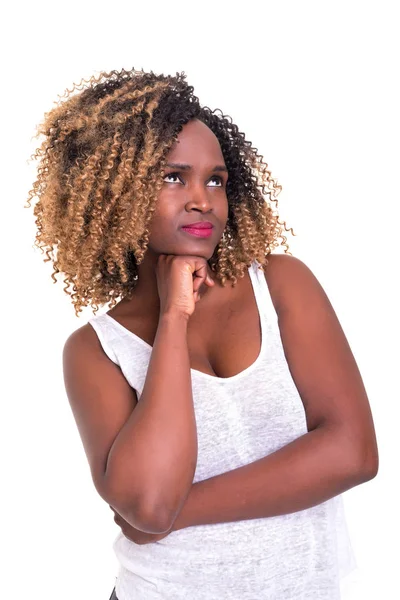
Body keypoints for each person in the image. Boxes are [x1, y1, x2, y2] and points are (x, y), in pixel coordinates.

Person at [26, 68, 379, 599]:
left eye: (215, 180)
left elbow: (353, 452)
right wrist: (174, 318)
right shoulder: (97, 350)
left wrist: (179, 514)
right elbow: (147, 502)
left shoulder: (281, 285)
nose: (202, 199)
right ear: (112, 194)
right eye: (174, 177)